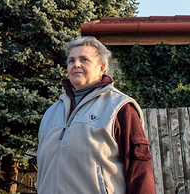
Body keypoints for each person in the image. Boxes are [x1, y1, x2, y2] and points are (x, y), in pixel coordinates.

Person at [36, 36, 156, 193]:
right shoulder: (51, 112)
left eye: (84, 59)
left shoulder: (120, 108)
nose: (76, 64)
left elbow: (139, 168)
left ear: (102, 68)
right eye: (71, 60)